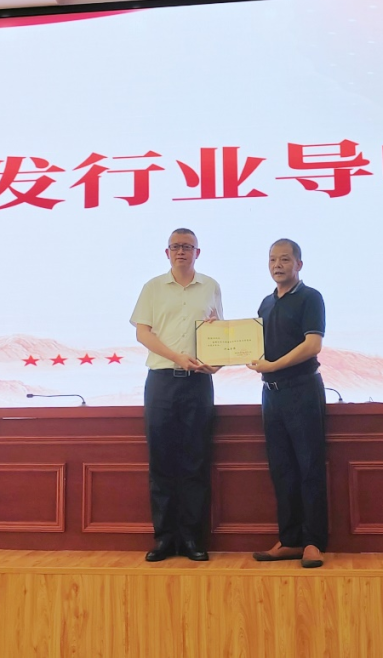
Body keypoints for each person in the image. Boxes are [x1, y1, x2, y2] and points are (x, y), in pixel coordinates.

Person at [130, 228, 223, 562]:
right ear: (166, 253)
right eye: (175, 247)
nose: (181, 251)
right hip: (162, 382)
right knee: (162, 462)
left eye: (187, 247)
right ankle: (165, 539)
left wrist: (217, 363)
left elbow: (218, 332)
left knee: (195, 461)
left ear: (198, 252)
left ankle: (192, 539)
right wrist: (176, 357)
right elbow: (143, 333)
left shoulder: (211, 286)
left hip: (198, 383)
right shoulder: (153, 287)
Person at [247, 238, 329, 569]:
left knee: (309, 467)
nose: (277, 265)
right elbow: (251, 344)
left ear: (299, 264)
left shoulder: (311, 297)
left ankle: (313, 542)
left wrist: (274, 365)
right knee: (282, 470)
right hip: (271, 394)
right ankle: (290, 539)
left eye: (284, 259)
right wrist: (216, 333)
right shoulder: (266, 303)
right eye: (272, 260)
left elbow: (313, 345)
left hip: (302, 390)